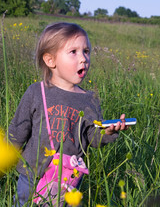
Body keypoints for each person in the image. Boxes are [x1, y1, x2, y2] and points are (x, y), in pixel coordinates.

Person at [9, 22, 128, 206]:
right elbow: (18, 129)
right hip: (32, 173)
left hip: (67, 178)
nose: (83, 59)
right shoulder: (36, 91)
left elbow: (92, 138)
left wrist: (108, 132)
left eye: (86, 51)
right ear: (50, 60)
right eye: (73, 52)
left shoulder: (90, 99)